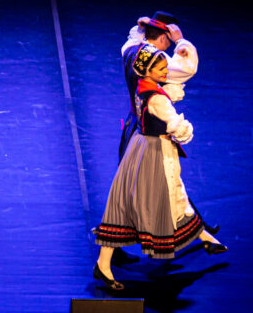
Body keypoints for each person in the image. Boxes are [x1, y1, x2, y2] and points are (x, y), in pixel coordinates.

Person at [93, 44, 225, 290]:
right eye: (162, 68)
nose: (167, 71)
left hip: (140, 147)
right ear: (147, 71)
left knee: (149, 200)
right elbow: (176, 124)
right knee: (162, 200)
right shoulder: (156, 100)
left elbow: (166, 91)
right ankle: (104, 263)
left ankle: (205, 237)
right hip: (154, 153)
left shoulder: (142, 85)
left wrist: (178, 55)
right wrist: (185, 129)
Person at [118, 11, 197, 160]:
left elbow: (133, 39)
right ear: (163, 37)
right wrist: (180, 40)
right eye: (169, 40)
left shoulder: (130, 49)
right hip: (151, 131)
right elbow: (187, 68)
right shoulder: (154, 60)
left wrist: (141, 29)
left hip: (134, 124)